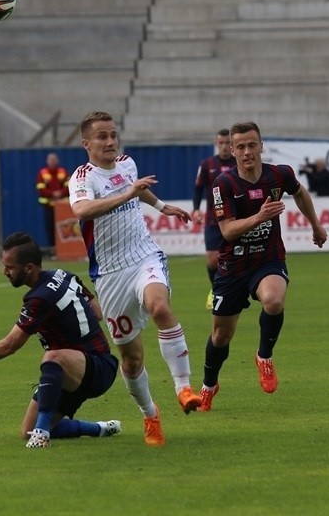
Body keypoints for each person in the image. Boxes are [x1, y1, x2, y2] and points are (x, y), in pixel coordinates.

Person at [68, 110, 201, 447]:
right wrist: (129, 194)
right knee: (131, 359)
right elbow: (82, 211)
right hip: (110, 274)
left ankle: (183, 387)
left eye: (113, 135)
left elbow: (137, 190)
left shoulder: (127, 164)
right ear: (87, 143)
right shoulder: (83, 177)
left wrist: (161, 205)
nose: (110, 141)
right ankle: (149, 414)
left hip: (144, 256)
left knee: (159, 306)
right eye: (102, 136)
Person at [0, 232, 121, 449]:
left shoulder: (39, 298)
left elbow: (12, 344)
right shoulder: (63, 274)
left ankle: (41, 435)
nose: (5, 272)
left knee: (53, 356)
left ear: (28, 268)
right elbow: (96, 312)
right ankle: (101, 429)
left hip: (97, 367)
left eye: (9, 267)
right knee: (25, 430)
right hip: (72, 370)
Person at [198, 122, 328, 411]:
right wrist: (259, 217)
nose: (247, 152)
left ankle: (264, 357)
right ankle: (209, 385)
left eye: (252, 145)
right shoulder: (224, 183)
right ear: (232, 150)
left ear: (261, 146)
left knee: (274, 300)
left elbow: (301, 193)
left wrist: (316, 225)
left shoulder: (279, 174)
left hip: (267, 259)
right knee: (221, 336)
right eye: (240, 147)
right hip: (233, 266)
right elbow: (228, 231)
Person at [191, 129, 236, 309]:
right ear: (216, 144)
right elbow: (198, 189)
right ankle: (215, 289)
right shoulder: (207, 164)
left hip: (234, 218)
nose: (224, 146)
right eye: (221, 143)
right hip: (212, 219)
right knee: (211, 259)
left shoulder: (238, 164)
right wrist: (195, 209)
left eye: (227, 143)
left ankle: (236, 289)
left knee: (236, 257)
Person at [36, 152, 69, 252]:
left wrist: (60, 193)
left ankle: (64, 249)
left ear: (57, 160)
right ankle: (53, 249)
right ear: (47, 161)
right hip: (49, 206)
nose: (53, 162)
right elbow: (40, 188)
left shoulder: (63, 172)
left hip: (62, 207)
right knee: (50, 228)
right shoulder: (43, 173)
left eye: (54, 159)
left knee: (64, 227)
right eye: (51, 160)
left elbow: (69, 186)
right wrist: (52, 194)